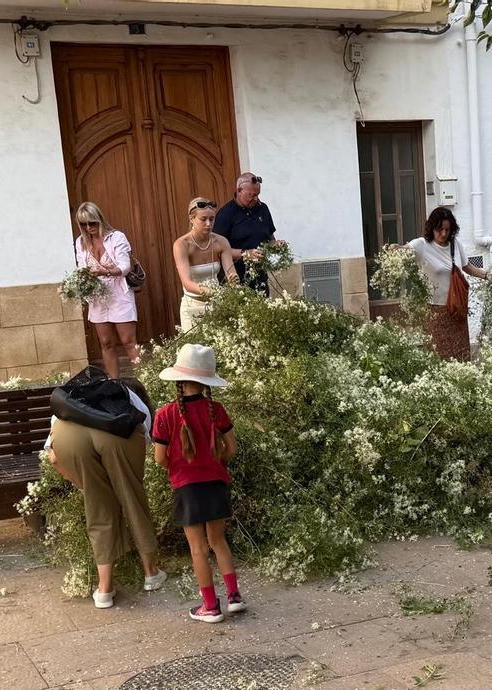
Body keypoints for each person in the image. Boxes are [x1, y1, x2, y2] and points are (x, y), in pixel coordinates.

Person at [44, 376, 166, 608]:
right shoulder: (133, 401)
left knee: (98, 505)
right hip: (118, 431)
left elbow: (53, 457)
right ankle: (152, 574)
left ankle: (104, 590)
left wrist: (83, 484)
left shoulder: (72, 398)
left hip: (68, 436)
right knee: (131, 498)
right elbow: (143, 450)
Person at [153, 343, 244, 623]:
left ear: (179, 380)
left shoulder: (165, 415)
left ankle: (210, 607)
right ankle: (234, 597)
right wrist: (216, 461)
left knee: (198, 549)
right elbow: (232, 448)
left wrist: (179, 468)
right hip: (216, 483)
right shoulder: (217, 409)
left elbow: (159, 459)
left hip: (186, 487)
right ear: (207, 382)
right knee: (218, 541)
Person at [406, 207, 488, 360]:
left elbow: (467, 267)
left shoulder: (455, 245)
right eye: (440, 229)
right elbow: (404, 250)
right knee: (439, 355)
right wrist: (394, 249)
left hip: (456, 308)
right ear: (432, 228)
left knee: (460, 355)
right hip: (435, 310)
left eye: (447, 230)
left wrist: (488, 275)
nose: (444, 234)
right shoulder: (422, 245)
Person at [73, 202, 138, 378]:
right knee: (106, 342)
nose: (89, 228)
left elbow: (125, 267)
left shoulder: (116, 237)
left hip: (118, 293)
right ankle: (114, 384)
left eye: (92, 223)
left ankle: (146, 381)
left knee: (128, 342)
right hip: (97, 296)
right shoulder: (81, 242)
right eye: (84, 224)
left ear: (100, 220)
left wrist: (105, 272)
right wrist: (79, 282)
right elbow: (81, 267)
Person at [173, 198, 239, 332]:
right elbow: (187, 282)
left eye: (212, 219)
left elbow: (231, 272)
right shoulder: (182, 244)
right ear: (192, 219)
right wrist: (212, 292)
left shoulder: (221, 241)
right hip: (192, 304)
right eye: (203, 219)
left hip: (217, 304)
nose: (208, 224)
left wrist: (233, 280)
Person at [213, 172, 279, 295]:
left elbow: (270, 237)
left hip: (260, 277)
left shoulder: (262, 209)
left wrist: (276, 245)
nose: (255, 199)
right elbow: (218, 250)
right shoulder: (225, 214)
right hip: (235, 278)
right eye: (251, 195)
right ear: (239, 191)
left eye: (257, 195)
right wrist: (246, 254)